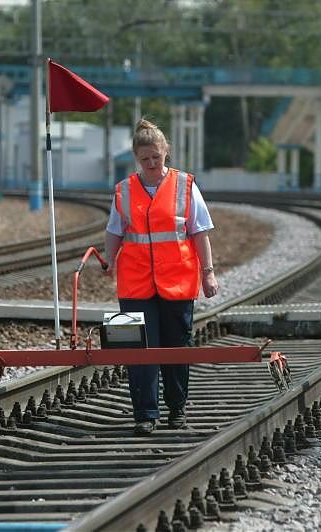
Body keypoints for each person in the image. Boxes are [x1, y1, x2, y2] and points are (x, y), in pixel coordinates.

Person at [103, 118, 219, 435]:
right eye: (145, 160)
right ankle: (145, 413)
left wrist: (208, 273)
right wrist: (109, 260)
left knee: (176, 347)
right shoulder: (124, 190)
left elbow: (200, 232)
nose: (152, 164)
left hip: (178, 281)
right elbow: (114, 231)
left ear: (166, 151)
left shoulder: (185, 186)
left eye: (156, 157)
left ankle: (176, 408)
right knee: (137, 348)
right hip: (135, 283)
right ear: (136, 159)